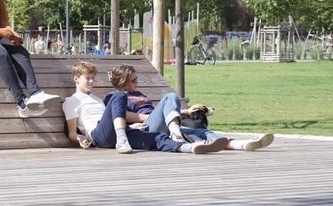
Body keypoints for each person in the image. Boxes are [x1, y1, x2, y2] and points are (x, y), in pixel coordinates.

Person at [63, 61, 227, 155]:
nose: (92, 82)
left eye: (93, 78)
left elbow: (116, 117)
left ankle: (190, 147)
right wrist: (79, 138)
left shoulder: (97, 99)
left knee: (155, 138)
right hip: (99, 136)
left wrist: (130, 126)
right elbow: (72, 132)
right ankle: (122, 139)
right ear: (76, 78)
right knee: (119, 96)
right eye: (88, 78)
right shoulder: (71, 101)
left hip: (121, 132)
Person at [108, 64, 275, 152]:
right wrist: (152, 119)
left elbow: (164, 111)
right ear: (122, 81)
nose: (137, 83)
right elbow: (122, 117)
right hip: (146, 128)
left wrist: (186, 111)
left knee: (200, 133)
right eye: (133, 80)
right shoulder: (113, 97)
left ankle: (241, 144)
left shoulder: (138, 93)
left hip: (160, 123)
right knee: (170, 97)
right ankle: (175, 131)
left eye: (137, 79)